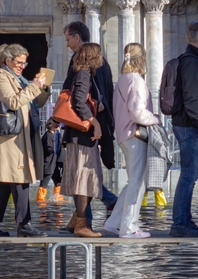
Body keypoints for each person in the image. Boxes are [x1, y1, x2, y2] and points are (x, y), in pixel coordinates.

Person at [0, 43, 49, 237]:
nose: (22, 66)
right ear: (7, 60)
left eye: (24, 63)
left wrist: (42, 88)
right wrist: (33, 87)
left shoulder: (19, 79)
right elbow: (13, 102)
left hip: (19, 136)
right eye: (19, 62)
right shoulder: (2, 78)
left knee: (5, 181)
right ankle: (24, 224)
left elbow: (36, 101)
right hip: (10, 139)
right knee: (19, 178)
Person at [104, 43, 160, 238]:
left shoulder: (122, 79)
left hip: (123, 135)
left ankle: (113, 223)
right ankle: (129, 227)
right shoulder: (136, 80)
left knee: (131, 182)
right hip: (135, 135)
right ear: (141, 58)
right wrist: (155, 119)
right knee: (137, 183)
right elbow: (137, 112)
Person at [63, 21, 117, 214]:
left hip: (84, 126)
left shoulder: (81, 66)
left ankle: (84, 220)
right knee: (84, 173)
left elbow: (74, 97)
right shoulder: (105, 65)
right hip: (96, 124)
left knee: (82, 174)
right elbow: (108, 94)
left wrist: (93, 118)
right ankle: (81, 218)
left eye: (68, 39)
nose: (67, 44)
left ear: (78, 37)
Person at [170, 21, 198, 238]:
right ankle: (180, 223)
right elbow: (191, 97)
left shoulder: (195, 61)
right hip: (188, 126)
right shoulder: (192, 62)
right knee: (188, 174)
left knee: (190, 174)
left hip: (189, 125)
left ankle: (185, 220)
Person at [61, 42, 105, 238]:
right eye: (99, 54)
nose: (102, 58)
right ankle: (81, 224)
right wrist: (94, 121)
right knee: (85, 179)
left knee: (86, 178)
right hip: (81, 136)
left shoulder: (84, 74)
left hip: (78, 136)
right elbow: (79, 101)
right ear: (92, 56)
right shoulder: (84, 74)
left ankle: (76, 220)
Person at [38, 119, 63, 202]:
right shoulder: (48, 135)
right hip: (48, 164)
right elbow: (48, 149)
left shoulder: (55, 134)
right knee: (44, 183)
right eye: (57, 123)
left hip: (55, 163)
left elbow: (60, 145)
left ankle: (58, 199)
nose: (58, 125)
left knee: (58, 182)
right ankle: (40, 200)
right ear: (51, 124)